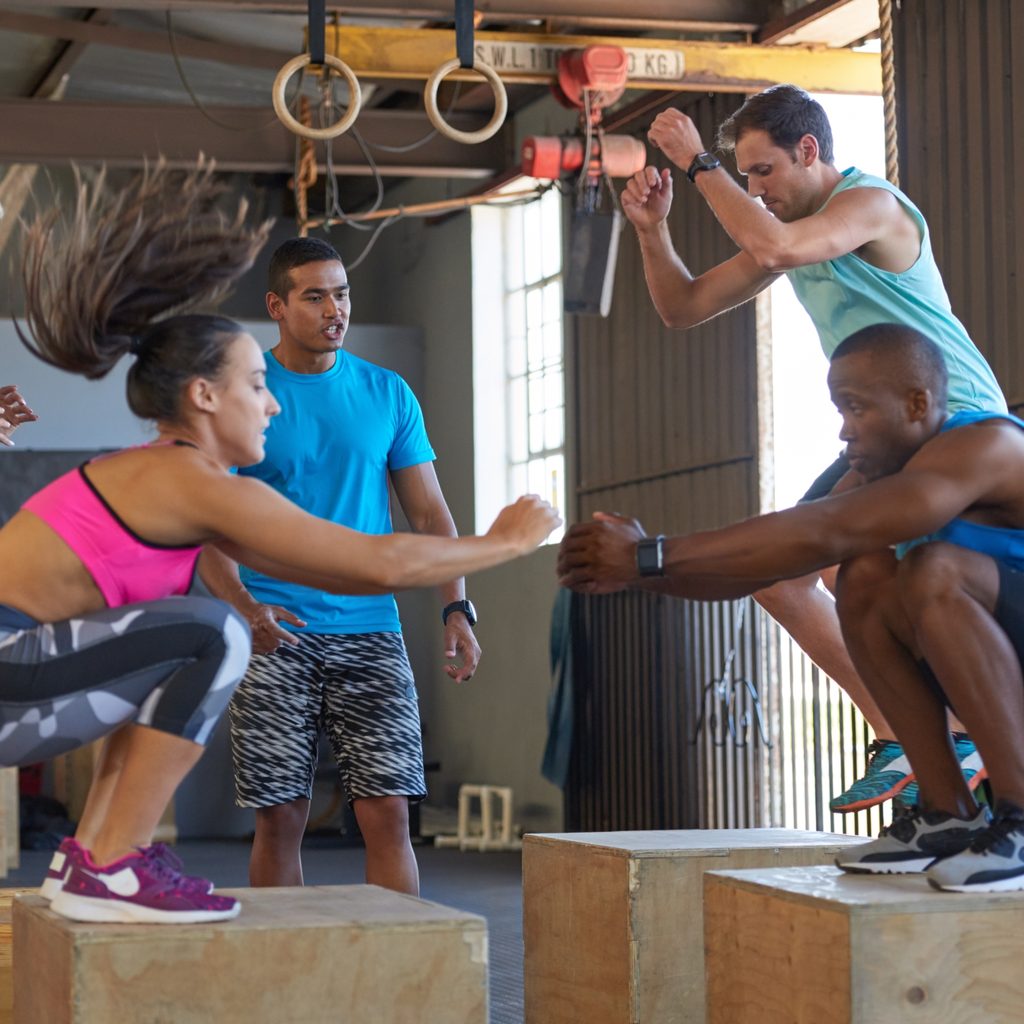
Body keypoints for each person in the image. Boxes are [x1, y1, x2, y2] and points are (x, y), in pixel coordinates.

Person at [0, 162, 559, 925]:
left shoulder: (183, 480)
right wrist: (506, 542)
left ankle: (94, 855)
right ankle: (109, 863)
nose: (269, 402)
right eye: (253, 383)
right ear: (204, 396)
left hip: (29, 673)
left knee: (187, 642)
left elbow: (352, 561)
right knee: (211, 632)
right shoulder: (194, 483)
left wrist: (459, 603)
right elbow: (380, 559)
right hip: (11, 670)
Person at [621, 84, 1005, 812]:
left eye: (762, 171)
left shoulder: (871, 208)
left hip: (957, 424)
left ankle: (950, 736)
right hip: (886, 439)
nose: (754, 189)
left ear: (808, 151)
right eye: (745, 173)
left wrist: (701, 163)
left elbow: (774, 243)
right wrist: (651, 231)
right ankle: (914, 738)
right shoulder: (786, 233)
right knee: (791, 580)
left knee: (836, 571)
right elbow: (683, 307)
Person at [558, 323, 1024, 893]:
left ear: (917, 403)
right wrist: (641, 574)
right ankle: (947, 815)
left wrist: (649, 554)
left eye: (856, 409)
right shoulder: (875, 475)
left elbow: (829, 527)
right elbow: (765, 570)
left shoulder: (988, 445)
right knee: (866, 576)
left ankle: (1019, 815)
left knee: (933, 570)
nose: (845, 430)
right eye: (839, 410)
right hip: (1003, 656)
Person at [199, 237, 479, 896]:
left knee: (388, 813)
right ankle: (283, 974)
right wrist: (246, 610)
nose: (335, 309)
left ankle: (405, 976)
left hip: (371, 631)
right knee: (280, 817)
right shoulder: (244, 397)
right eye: (316, 295)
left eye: (343, 292)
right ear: (277, 305)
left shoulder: (387, 393)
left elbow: (431, 515)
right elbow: (205, 528)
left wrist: (456, 606)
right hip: (275, 632)